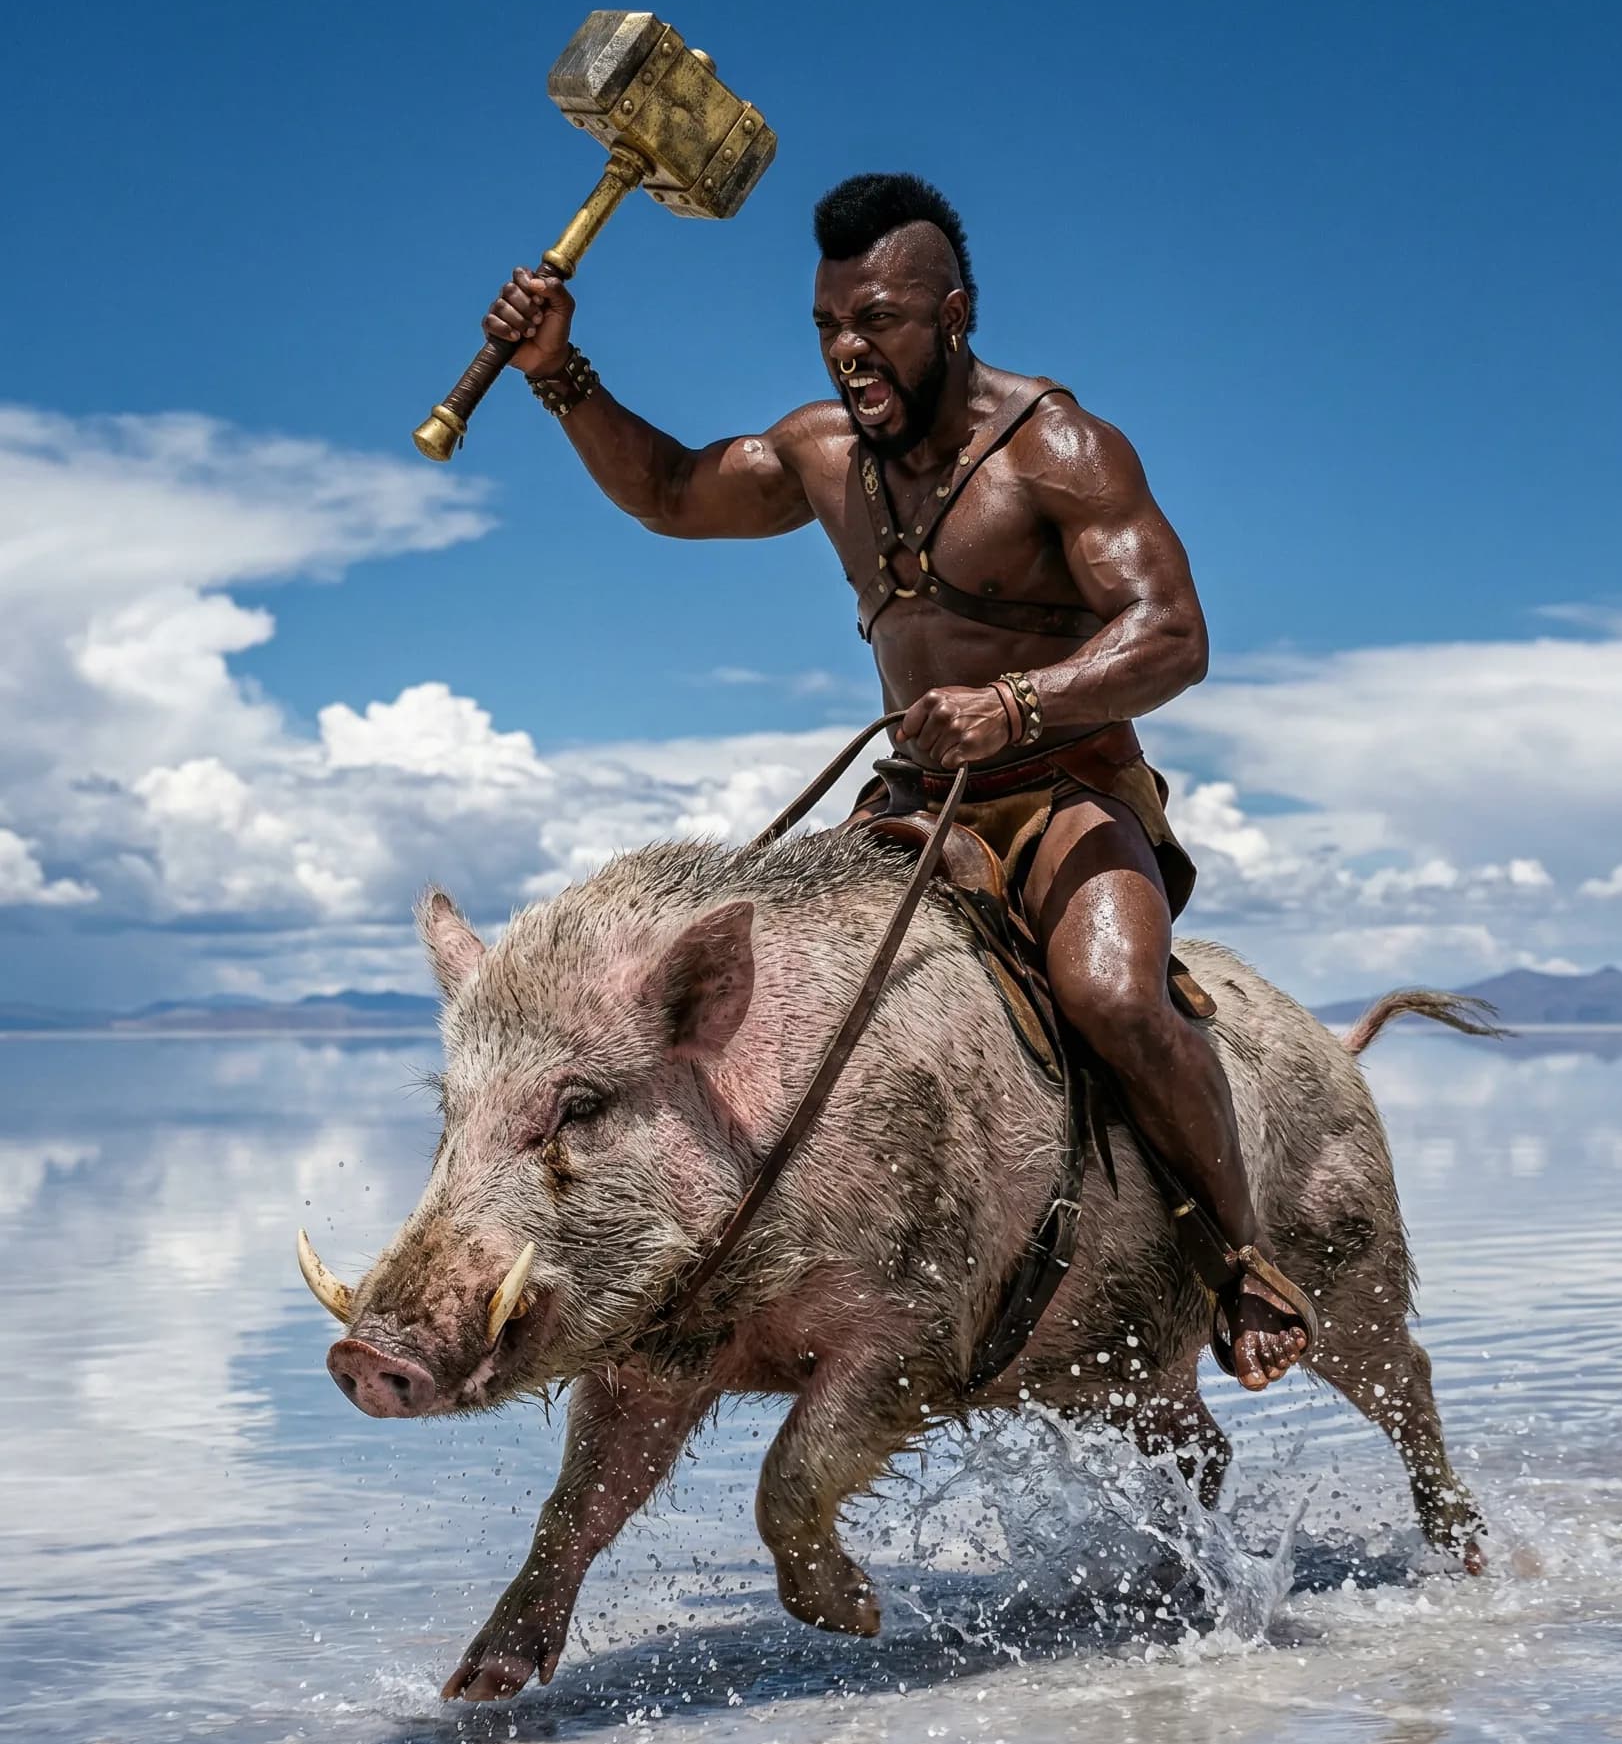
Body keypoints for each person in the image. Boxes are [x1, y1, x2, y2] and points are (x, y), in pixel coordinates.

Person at [481, 172, 1312, 1387]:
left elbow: (1172, 634)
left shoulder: (1060, 451)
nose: (847, 352)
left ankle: (1239, 1259)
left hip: (1063, 792)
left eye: (875, 320)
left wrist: (1017, 702)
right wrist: (561, 374)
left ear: (955, 313)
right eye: (826, 325)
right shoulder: (824, 454)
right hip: (914, 806)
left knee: (1113, 996)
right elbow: (668, 495)